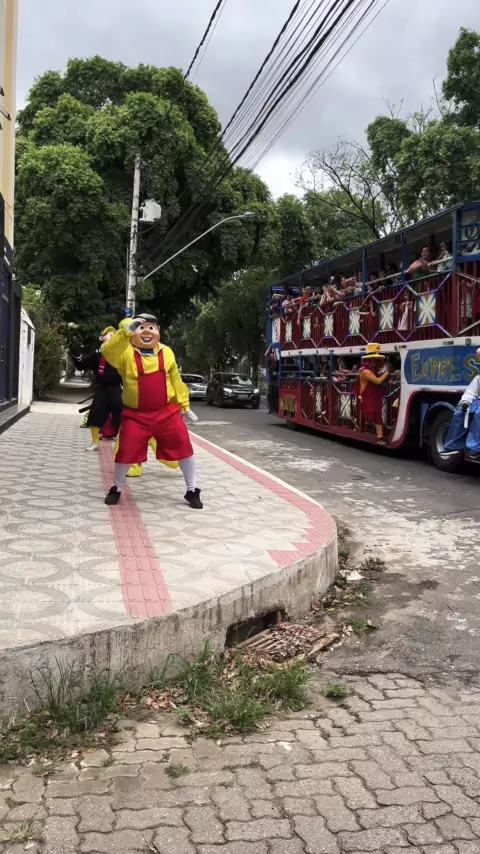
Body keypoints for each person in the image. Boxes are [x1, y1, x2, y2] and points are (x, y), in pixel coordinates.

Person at [101, 314, 202, 508]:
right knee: (125, 452)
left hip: (166, 413)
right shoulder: (125, 353)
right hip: (135, 416)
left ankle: (192, 490)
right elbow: (107, 351)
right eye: (141, 327)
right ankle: (116, 488)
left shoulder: (167, 352)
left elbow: (176, 379)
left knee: (184, 447)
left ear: (158, 331)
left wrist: (184, 405)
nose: (146, 332)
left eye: (151, 327)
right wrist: (125, 332)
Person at [72, 327, 123, 451]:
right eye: (109, 333)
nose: (112, 335)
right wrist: (76, 353)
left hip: (117, 389)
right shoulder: (97, 354)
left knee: (122, 418)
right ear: (101, 338)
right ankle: (95, 442)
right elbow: (81, 365)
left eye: (114, 334)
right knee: (94, 416)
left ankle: (120, 445)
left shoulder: (121, 352)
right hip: (102, 389)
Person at [444, 350, 480, 460]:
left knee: (479, 414)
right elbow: (470, 393)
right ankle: (453, 445)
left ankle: (475, 448)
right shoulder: (478, 378)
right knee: (459, 414)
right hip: (477, 401)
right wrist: (464, 403)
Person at [354, 343, 390, 445]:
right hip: (368, 397)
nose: (375, 362)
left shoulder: (370, 370)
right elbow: (378, 381)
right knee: (373, 415)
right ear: (369, 360)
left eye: (376, 359)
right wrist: (386, 373)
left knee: (377, 415)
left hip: (374, 397)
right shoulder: (366, 372)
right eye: (374, 359)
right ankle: (375, 434)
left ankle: (378, 435)